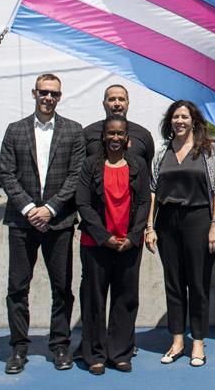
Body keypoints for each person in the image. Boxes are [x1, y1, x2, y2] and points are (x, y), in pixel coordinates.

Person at [0, 73, 85, 374]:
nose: (49, 98)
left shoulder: (74, 131)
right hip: (22, 223)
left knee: (62, 287)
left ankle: (60, 344)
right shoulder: (15, 130)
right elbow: (7, 173)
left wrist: (49, 208)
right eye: (44, 92)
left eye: (54, 94)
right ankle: (18, 348)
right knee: (17, 288)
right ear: (34, 93)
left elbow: (76, 175)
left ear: (60, 97)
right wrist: (28, 208)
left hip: (58, 222)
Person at [144, 100, 215, 367]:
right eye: (175, 117)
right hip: (168, 223)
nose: (179, 121)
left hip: (199, 220)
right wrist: (150, 227)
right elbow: (153, 191)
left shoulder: (209, 150)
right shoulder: (162, 152)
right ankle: (177, 340)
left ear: (194, 121)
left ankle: (199, 342)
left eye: (184, 117)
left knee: (198, 283)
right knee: (174, 284)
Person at [75, 115, 151, 375]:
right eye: (111, 134)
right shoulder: (89, 166)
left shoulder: (138, 165)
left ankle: (119, 352)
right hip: (96, 244)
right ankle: (95, 353)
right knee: (94, 298)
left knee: (126, 298)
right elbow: (83, 203)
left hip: (129, 245)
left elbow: (144, 202)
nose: (115, 138)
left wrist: (133, 235)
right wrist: (102, 235)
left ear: (127, 138)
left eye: (120, 134)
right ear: (103, 137)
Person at [83, 84, 155, 170]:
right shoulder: (87, 133)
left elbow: (148, 170)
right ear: (104, 104)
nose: (117, 103)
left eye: (121, 99)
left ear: (128, 103)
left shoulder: (144, 135)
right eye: (112, 99)